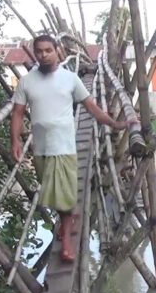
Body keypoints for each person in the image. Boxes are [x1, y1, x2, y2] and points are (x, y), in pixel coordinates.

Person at [10, 34, 137, 263]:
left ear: (58, 50)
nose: (43, 55)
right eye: (39, 51)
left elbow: (91, 107)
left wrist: (115, 123)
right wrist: (15, 141)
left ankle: (66, 240)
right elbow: (17, 113)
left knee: (65, 196)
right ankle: (68, 217)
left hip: (65, 146)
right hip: (40, 149)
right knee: (54, 194)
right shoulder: (27, 82)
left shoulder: (70, 79)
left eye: (48, 50)